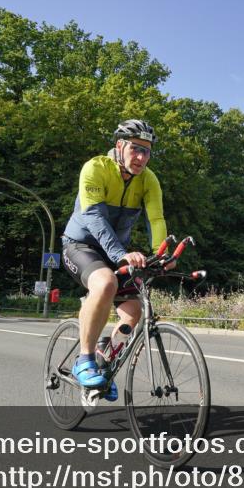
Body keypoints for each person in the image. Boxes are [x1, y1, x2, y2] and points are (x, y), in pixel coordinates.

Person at [61, 119, 170, 397]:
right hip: (80, 245)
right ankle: (84, 359)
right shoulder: (95, 168)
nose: (141, 157)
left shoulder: (148, 179)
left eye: (147, 151)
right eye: (135, 149)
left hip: (115, 251)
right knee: (106, 282)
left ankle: (103, 360)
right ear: (119, 146)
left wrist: (162, 254)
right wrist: (121, 255)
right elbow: (94, 217)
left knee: (134, 310)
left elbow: (156, 219)